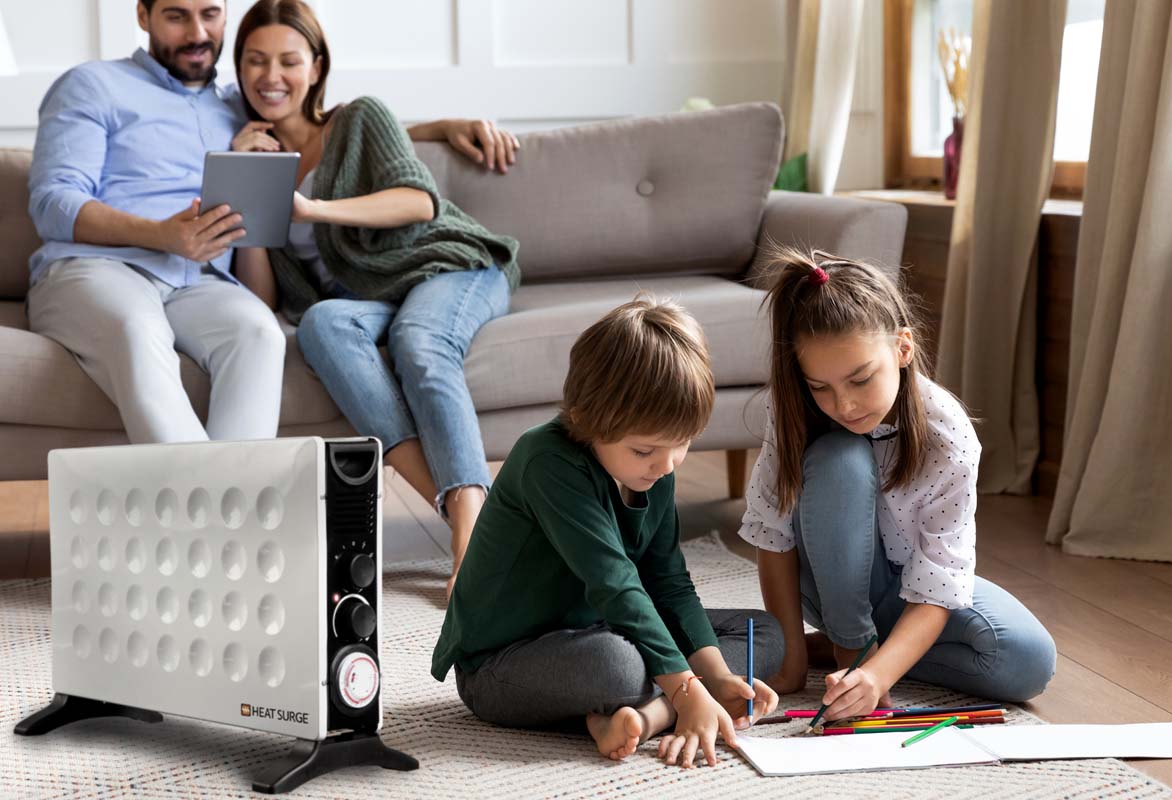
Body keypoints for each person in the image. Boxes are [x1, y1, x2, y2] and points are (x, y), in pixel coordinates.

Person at [25, 0, 512, 445]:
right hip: (99, 268)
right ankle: (208, 520)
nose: (198, 32)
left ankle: (242, 509)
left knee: (259, 334)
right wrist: (160, 235)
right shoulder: (92, 84)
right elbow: (53, 201)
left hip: (200, 281)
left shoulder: (240, 100)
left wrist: (442, 127)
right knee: (136, 328)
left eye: (210, 13)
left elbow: (325, 129)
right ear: (142, 15)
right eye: (176, 15)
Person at [230, 0, 520, 597]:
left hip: (449, 266)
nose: (271, 76)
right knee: (319, 323)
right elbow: (262, 297)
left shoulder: (359, 118)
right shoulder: (254, 153)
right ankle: (480, 522)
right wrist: (246, 185)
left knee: (420, 341)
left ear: (316, 66)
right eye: (255, 61)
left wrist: (312, 208)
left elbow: (419, 201)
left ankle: (469, 538)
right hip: (370, 299)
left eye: (288, 60)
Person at [432, 297, 781, 769]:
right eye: (644, 450)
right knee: (615, 666)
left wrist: (714, 676)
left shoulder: (656, 466)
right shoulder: (546, 460)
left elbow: (667, 580)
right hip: (501, 663)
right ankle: (666, 703)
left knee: (764, 634)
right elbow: (615, 582)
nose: (667, 464)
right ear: (585, 418)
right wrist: (685, 685)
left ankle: (650, 713)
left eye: (681, 444)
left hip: (602, 624)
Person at [741, 247, 1056, 721]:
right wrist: (790, 659)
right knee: (839, 457)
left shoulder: (948, 435)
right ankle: (846, 645)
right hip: (826, 584)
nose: (843, 405)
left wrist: (880, 674)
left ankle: (870, 651)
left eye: (861, 379)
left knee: (1028, 662)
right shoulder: (790, 410)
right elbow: (772, 534)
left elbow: (941, 576)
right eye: (820, 387)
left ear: (903, 349)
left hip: (906, 590)